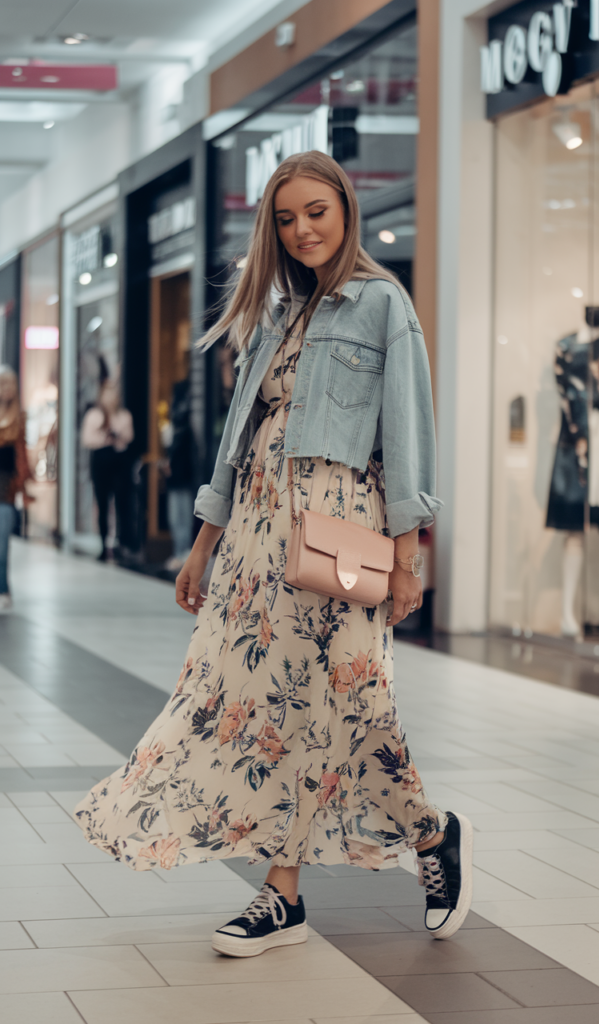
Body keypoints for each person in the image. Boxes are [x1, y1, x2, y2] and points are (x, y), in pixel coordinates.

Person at [75, 151, 473, 957]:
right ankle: (282, 896)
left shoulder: (382, 305)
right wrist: (201, 546)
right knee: (264, 714)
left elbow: (408, 442)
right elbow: (237, 441)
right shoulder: (275, 311)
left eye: (316, 212)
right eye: (286, 219)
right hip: (258, 534)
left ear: (346, 209)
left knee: (356, 707)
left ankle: (432, 836)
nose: (302, 231)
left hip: (342, 533)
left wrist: (409, 559)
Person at [81, 378, 134, 561]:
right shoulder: (94, 416)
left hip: (119, 463)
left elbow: (129, 437)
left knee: (122, 504)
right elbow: (87, 439)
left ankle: (122, 543)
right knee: (102, 505)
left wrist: (117, 434)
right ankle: (103, 545)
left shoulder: (124, 415)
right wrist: (106, 437)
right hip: (101, 462)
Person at [0, 365, 32, 611]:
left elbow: (21, 455)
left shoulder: (19, 417)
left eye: (10, 384)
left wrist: (23, 485)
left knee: (2, 542)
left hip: (6, 488)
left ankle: (3, 587)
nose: (6, 389)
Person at [161, 379, 195, 571]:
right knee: (178, 518)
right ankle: (180, 552)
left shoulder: (183, 428)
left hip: (181, 478)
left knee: (180, 517)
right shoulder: (177, 428)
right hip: (178, 479)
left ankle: (183, 554)